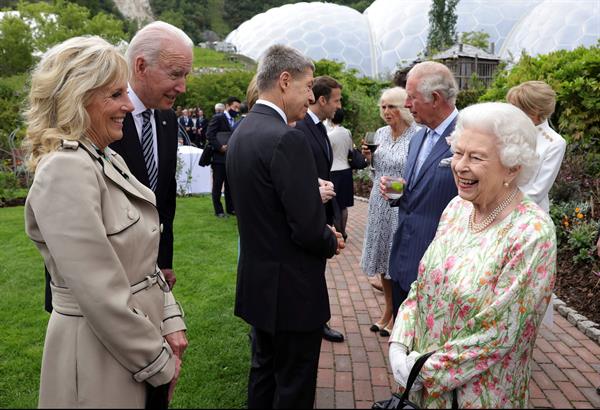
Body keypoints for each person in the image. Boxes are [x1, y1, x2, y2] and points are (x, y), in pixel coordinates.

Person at [23, 36, 186, 408]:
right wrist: (158, 362)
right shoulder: (66, 170)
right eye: (115, 95)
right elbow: (100, 294)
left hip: (131, 346)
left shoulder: (104, 157)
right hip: (100, 358)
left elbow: (144, 259)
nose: (129, 105)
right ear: (78, 100)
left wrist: (171, 318)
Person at [388, 102, 556, 408]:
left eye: (476, 157)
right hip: (422, 388)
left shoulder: (532, 232)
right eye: (458, 152)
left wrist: (420, 369)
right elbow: (423, 283)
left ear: (513, 167)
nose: (459, 165)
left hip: (478, 395)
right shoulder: (456, 208)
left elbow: (500, 333)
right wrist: (399, 342)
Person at [226, 44, 344, 408]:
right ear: (284, 80)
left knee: (263, 374)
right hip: (292, 291)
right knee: (293, 386)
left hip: (259, 284)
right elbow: (308, 230)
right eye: (308, 87)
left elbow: (260, 202)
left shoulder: (245, 131)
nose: (311, 97)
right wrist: (331, 239)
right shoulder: (286, 137)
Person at [384, 61, 459, 317]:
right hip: (403, 261)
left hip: (440, 269)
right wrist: (396, 190)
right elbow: (417, 191)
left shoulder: (469, 137)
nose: (406, 104)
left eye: (412, 97)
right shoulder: (418, 137)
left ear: (435, 98)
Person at [360, 87, 417, 337]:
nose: (386, 112)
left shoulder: (417, 136)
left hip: (401, 205)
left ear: (403, 108)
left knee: (397, 260)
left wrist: (395, 187)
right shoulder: (381, 134)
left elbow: (414, 175)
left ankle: (399, 315)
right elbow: (376, 172)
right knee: (383, 258)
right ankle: (388, 310)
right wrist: (370, 159)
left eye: (391, 106)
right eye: (383, 107)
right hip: (378, 202)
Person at [295, 75, 345, 344]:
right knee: (310, 271)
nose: (339, 106)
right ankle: (315, 321)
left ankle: (316, 319)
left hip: (322, 207)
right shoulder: (301, 127)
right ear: (322, 99)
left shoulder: (319, 127)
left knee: (317, 270)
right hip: (310, 209)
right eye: (336, 100)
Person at [506, 80, 567, 213]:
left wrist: (505, 209)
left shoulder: (555, 143)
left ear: (535, 111)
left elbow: (537, 192)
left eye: (517, 108)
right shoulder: (507, 130)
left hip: (527, 215)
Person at [207, 96, 241, 217]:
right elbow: (210, 134)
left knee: (229, 184)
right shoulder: (218, 118)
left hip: (229, 157)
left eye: (238, 108)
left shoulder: (234, 120)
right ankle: (218, 210)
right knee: (217, 184)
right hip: (218, 157)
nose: (236, 110)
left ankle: (230, 208)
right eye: (234, 107)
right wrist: (220, 147)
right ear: (227, 106)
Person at [327, 108, 355, 241]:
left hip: (333, 172)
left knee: (334, 205)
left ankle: (337, 232)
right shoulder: (347, 132)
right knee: (343, 206)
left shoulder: (330, 135)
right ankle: (343, 232)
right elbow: (350, 150)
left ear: (332, 117)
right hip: (346, 171)